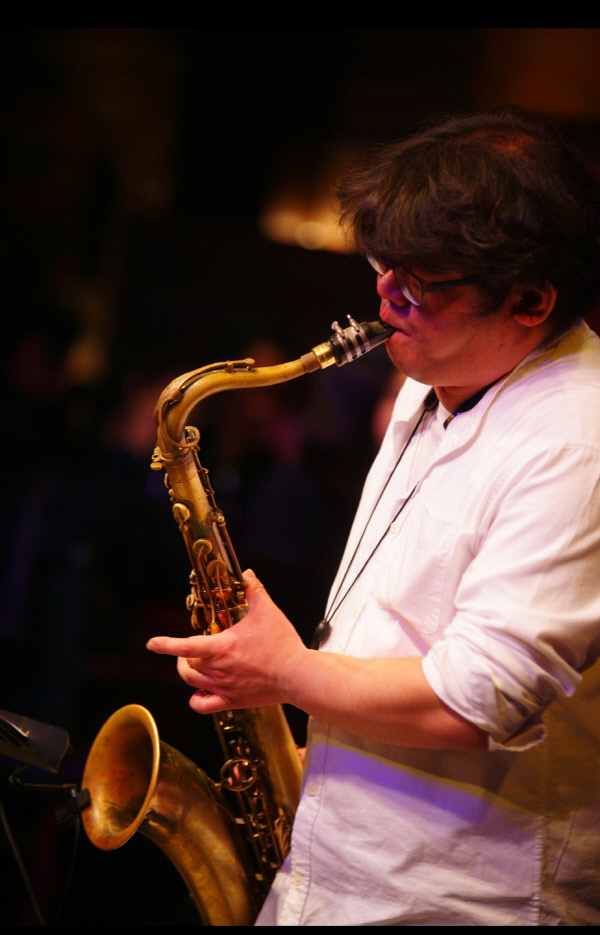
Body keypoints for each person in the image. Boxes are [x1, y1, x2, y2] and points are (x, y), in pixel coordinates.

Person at [146, 107, 600, 926]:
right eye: (384, 263)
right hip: (342, 871)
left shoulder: (578, 439)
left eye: (420, 281)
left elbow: (474, 699)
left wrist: (285, 671)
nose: (384, 292)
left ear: (531, 299)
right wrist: (302, 731)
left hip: (458, 899)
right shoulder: (434, 378)